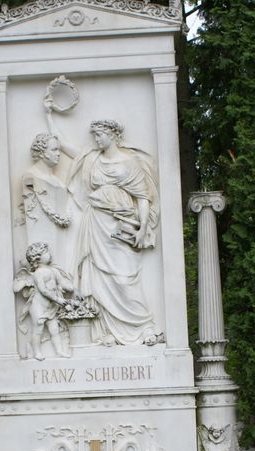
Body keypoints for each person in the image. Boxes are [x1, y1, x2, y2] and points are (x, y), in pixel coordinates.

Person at [66, 119, 161, 346]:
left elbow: (142, 198)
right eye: (94, 135)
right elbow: (73, 153)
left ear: (112, 134)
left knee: (124, 277)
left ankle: (144, 326)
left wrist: (143, 228)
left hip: (123, 224)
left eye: (99, 135)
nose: (96, 140)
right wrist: (50, 116)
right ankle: (105, 332)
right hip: (96, 223)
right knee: (98, 276)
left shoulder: (130, 163)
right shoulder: (92, 160)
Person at [13, 242, 78, 359]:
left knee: (55, 330)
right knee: (38, 330)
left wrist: (71, 287)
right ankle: (37, 352)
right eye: (46, 252)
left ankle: (59, 351)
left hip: (50, 307)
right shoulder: (38, 274)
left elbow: (61, 281)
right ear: (37, 257)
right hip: (38, 307)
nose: (50, 254)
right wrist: (58, 299)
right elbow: (44, 291)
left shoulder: (53, 271)